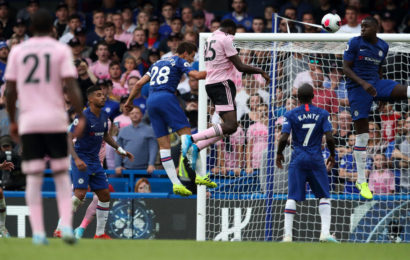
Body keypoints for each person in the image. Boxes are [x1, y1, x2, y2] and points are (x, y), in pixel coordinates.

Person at [4, 9, 84, 245]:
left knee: (34, 177)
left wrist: (13, 120)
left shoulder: (18, 51)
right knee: (60, 175)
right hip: (55, 119)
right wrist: (80, 115)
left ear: (29, 29)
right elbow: (72, 86)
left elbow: (10, 91)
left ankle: (38, 233)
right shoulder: (60, 50)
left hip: (30, 121)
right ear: (52, 29)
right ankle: (67, 228)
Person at [124, 42, 212, 197]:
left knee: (164, 146)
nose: (191, 60)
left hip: (151, 101)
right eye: (191, 56)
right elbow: (197, 76)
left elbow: (138, 84)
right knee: (187, 138)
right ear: (185, 53)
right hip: (167, 97)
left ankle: (176, 184)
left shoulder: (156, 63)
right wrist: (219, 71)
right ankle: (200, 175)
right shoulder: (179, 60)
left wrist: (129, 102)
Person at [181, 19, 270, 171]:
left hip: (210, 84)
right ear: (230, 29)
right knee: (231, 125)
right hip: (222, 85)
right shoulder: (226, 38)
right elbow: (240, 66)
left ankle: (197, 147)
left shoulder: (210, 38)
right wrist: (261, 71)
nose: (234, 37)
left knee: (230, 127)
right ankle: (192, 139)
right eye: (234, 33)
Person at [343, 16, 410, 200]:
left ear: (376, 27)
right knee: (363, 136)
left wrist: (382, 95)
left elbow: (380, 69)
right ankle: (361, 180)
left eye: (365, 26)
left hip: (375, 84)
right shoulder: (354, 43)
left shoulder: (383, 46)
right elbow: (346, 68)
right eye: (361, 26)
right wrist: (364, 85)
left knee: (407, 91)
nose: (362, 29)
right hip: (357, 88)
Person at [57, 85, 133, 240]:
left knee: (105, 195)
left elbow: (105, 136)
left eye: (103, 94)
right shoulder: (82, 117)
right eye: (98, 95)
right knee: (80, 194)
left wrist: (120, 149)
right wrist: (77, 159)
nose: (103, 97)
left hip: (95, 161)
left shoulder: (104, 116)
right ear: (90, 99)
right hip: (82, 158)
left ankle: (99, 234)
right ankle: (60, 228)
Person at [276, 84, 338, 243]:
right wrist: (332, 154)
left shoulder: (290, 114)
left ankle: (287, 235)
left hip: (298, 159)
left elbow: (283, 137)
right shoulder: (323, 114)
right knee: (323, 196)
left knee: (292, 197)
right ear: (313, 96)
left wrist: (279, 153)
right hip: (316, 159)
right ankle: (325, 233)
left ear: (297, 98)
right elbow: (329, 137)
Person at [115, 107, 157, 176]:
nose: (134, 115)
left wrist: (151, 164)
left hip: (145, 170)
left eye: (137, 113)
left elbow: (153, 148)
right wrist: (118, 165)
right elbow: (118, 149)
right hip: (126, 170)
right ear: (129, 115)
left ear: (141, 115)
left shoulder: (149, 130)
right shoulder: (123, 131)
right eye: (132, 113)